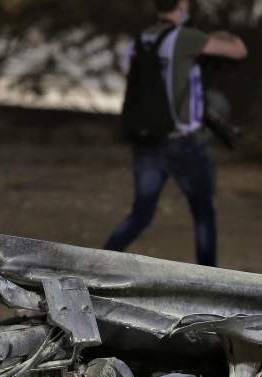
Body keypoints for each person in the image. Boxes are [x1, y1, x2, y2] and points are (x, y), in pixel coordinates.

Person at [104, 0, 247, 267]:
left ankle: (99, 263)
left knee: (141, 214)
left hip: (146, 141)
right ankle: (209, 278)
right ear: (181, 5)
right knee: (203, 213)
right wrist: (224, 36)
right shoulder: (186, 37)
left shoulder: (139, 40)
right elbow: (238, 51)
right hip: (180, 143)